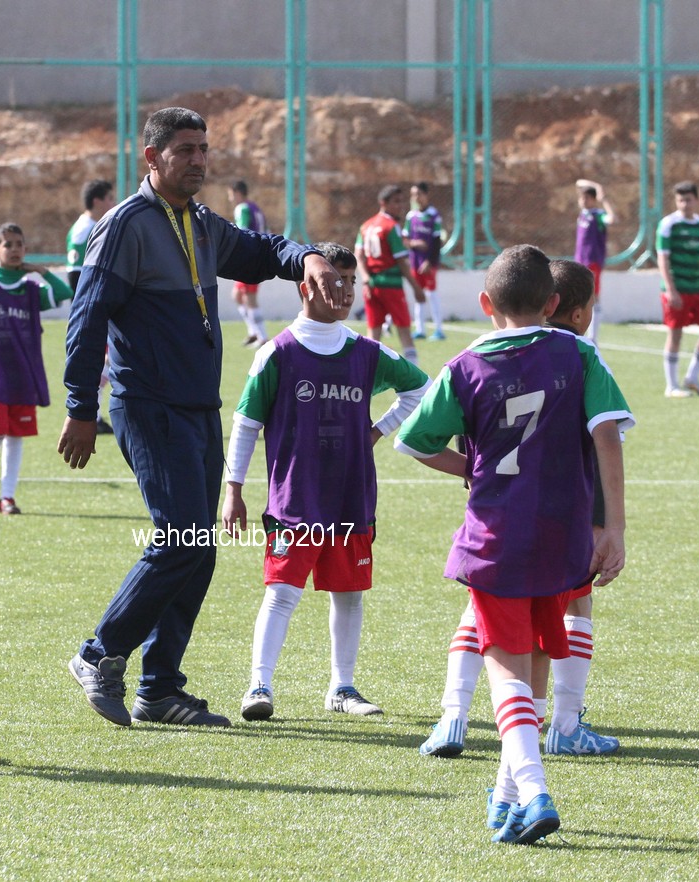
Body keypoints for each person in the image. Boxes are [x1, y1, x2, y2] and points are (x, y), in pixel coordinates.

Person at [58, 106, 344, 730]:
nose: (198, 160)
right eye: (185, 149)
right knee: (180, 535)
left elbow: (262, 251)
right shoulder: (124, 225)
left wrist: (308, 259)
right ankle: (99, 654)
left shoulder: (201, 222)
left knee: (198, 547)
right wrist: (80, 407)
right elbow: (87, 318)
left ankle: (159, 688)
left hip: (197, 407)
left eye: (203, 149)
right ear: (151, 157)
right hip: (147, 404)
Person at [395, 244, 632, 845]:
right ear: (553, 303)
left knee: (504, 668)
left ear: (485, 303)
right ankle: (505, 798)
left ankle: (532, 786)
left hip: (495, 535)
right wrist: (615, 528)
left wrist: (470, 469)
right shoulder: (578, 352)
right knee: (535, 665)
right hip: (563, 535)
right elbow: (607, 436)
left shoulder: (464, 365)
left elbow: (413, 442)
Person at [223, 242, 430, 722]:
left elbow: (420, 388)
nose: (345, 291)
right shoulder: (278, 353)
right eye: (334, 281)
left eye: (351, 282)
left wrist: (377, 430)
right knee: (282, 592)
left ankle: (342, 687)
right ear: (306, 288)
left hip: (350, 496)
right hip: (295, 499)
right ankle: (259, 685)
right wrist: (233, 489)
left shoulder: (366, 352)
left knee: (349, 594)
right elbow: (246, 424)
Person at [0, 222, 73, 515]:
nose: (15, 249)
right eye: (8, 245)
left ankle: (7, 497)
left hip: (23, 375)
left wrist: (42, 271)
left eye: (19, 244)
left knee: (15, 435)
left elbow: (63, 292)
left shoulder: (31, 289)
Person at [66, 179, 117, 435]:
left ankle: (95, 415)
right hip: (94, 310)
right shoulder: (84, 230)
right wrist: (90, 309)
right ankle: (92, 416)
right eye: (109, 198)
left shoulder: (90, 226)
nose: (113, 203)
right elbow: (76, 276)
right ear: (97, 201)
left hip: (98, 307)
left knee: (106, 361)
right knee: (103, 361)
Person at [657, 181, 699, 398]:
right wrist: (670, 290)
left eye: (688, 200)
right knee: (675, 334)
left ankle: (692, 377)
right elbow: (663, 258)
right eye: (680, 200)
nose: (684, 204)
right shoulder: (668, 224)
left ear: (697, 200)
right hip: (677, 288)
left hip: (698, 288)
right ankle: (671, 385)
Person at [355, 184, 424, 365]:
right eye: (396, 202)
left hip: (371, 285)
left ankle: (367, 371)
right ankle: (416, 372)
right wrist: (416, 287)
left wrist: (365, 278)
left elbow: (359, 256)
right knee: (404, 330)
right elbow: (401, 261)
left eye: (401, 201)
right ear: (383, 203)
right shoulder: (392, 227)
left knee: (373, 333)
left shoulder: (366, 226)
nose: (400, 206)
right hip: (391, 285)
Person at [573, 179, 615, 344]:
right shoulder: (583, 214)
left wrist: (601, 194)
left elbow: (612, 219)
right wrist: (593, 185)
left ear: (593, 199)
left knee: (593, 297)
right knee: (578, 297)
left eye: (587, 198)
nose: (583, 201)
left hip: (592, 262)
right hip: (579, 261)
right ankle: (578, 332)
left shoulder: (598, 215)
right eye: (581, 198)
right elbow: (578, 182)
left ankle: (593, 337)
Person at [229, 180, 270, 346]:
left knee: (249, 297)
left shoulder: (242, 208)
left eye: (231, 194)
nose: (230, 198)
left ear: (237, 192)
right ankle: (253, 332)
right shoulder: (255, 208)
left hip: (250, 258)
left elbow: (241, 232)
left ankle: (262, 337)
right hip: (258, 254)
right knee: (237, 295)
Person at [405, 181, 446, 341]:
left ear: (426, 195)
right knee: (418, 294)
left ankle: (439, 330)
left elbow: (436, 241)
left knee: (431, 294)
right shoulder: (411, 216)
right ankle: (420, 329)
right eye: (413, 195)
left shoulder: (434, 215)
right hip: (415, 262)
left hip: (428, 263)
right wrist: (414, 243)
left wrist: (429, 261)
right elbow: (405, 239)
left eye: (418, 194)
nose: (416, 197)